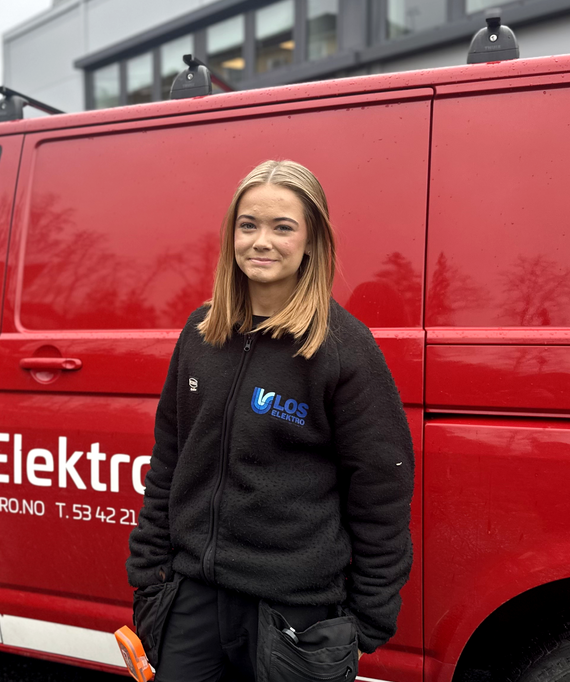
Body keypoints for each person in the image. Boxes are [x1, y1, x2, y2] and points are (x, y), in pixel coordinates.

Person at [126, 159, 415, 682]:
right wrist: (149, 573)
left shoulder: (343, 348)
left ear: (312, 243)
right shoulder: (199, 333)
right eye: (248, 224)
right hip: (193, 596)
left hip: (293, 613)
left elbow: (381, 487)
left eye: (283, 227)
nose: (261, 241)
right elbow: (169, 457)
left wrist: (367, 618)